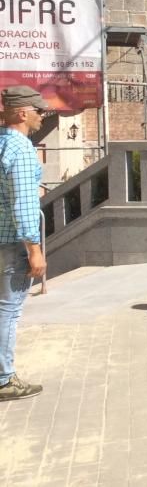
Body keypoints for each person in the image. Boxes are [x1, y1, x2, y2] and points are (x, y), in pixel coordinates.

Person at [0, 86, 48, 401]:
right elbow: (23, 204)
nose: (42, 116)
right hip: (11, 243)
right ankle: (4, 379)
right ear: (22, 113)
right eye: (38, 111)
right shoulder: (20, 148)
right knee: (9, 310)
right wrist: (34, 249)